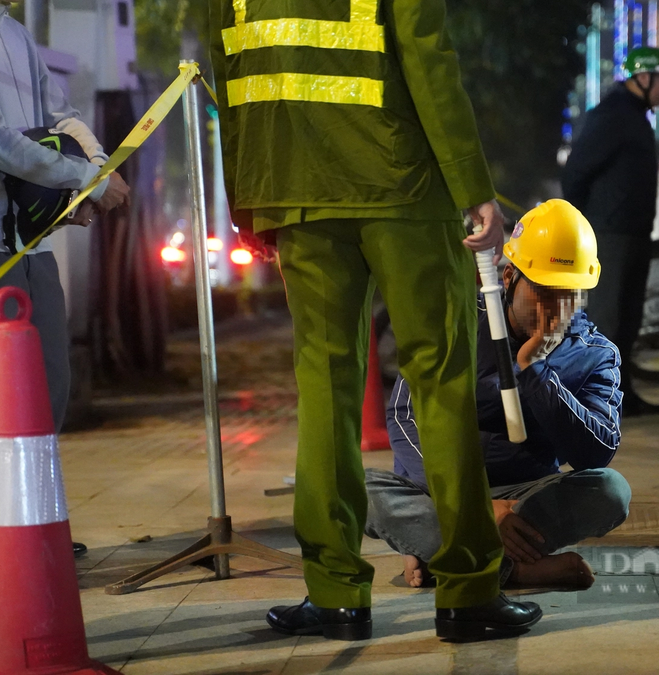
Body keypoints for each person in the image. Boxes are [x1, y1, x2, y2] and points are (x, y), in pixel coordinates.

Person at [209, 0, 541, 642]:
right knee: (440, 379)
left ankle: (335, 594)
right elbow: (427, 58)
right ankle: (468, 592)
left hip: (296, 190)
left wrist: (249, 202)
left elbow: (232, 73)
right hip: (403, 187)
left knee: (325, 389)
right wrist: (473, 185)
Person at [0, 0, 130, 564]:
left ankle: (33, 519)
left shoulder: (16, 33)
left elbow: (61, 114)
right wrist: (84, 178)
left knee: (49, 384)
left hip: (31, 238)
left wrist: (95, 168)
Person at [364, 200, 631, 591]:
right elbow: (406, 415)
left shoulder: (595, 353)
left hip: (528, 494)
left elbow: (596, 453)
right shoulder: (458, 324)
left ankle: (449, 552)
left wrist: (535, 371)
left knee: (611, 491)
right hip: (444, 491)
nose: (556, 309)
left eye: (570, 294)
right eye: (543, 291)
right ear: (508, 278)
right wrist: (472, 502)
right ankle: (513, 570)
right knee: (360, 491)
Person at [561, 47, 659, 417]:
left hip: (633, 233)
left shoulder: (635, 117)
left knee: (627, 319)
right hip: (610, 235)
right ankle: (599, 399)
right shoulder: (612, 115)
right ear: (642, 78)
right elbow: (576, 171)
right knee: (608, 319)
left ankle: (622, 394)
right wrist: (588, 223)